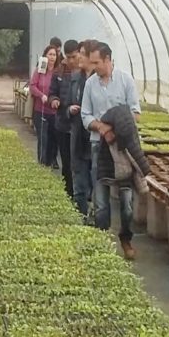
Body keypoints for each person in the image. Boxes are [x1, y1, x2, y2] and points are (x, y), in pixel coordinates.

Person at [81, 42, 141, 260]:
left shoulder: (125, 81)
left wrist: (115, 127)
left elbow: (135, 113)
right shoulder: (90, 84)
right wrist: (102, 128)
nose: (94, 66)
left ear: (107, 59)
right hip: (99, 145)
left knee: (126, 200)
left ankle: (126, 239)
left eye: (97, 62)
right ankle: (102, 241)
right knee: (101, 199)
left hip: (122, 148)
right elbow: (85, 115)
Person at [67, 40, 97, 220]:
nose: (79, 56)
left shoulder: (98, 81)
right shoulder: (75, 79)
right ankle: (81, 219)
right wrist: (69, 109)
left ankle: (94, 219)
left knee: (95, 185)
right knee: (78, 184)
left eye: (82, 53)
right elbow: (66, 102)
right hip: (78, 138)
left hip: (94, 139)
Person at [48, 40, 79, 199]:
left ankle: (81, 193)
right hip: (62, 123)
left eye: (74, 56)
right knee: (66, 162)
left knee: (78, 162)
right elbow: (52, 92)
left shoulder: (84, 74)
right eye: (68, 57)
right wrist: (54, 100)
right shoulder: (59, 73)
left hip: (79, 126)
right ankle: (69, 193)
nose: (71, 61)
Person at [29, 45, 59, 166]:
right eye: (50, 54)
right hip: (40, 110)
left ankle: (52, 160)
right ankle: (42, 162)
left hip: (54, 111)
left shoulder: (58, 72)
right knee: (43, 138)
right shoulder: (40, 70)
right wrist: (41, 95)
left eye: (54, 55)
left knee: (53, 138)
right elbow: (32, 85)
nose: (52, 57)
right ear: (45, 56)